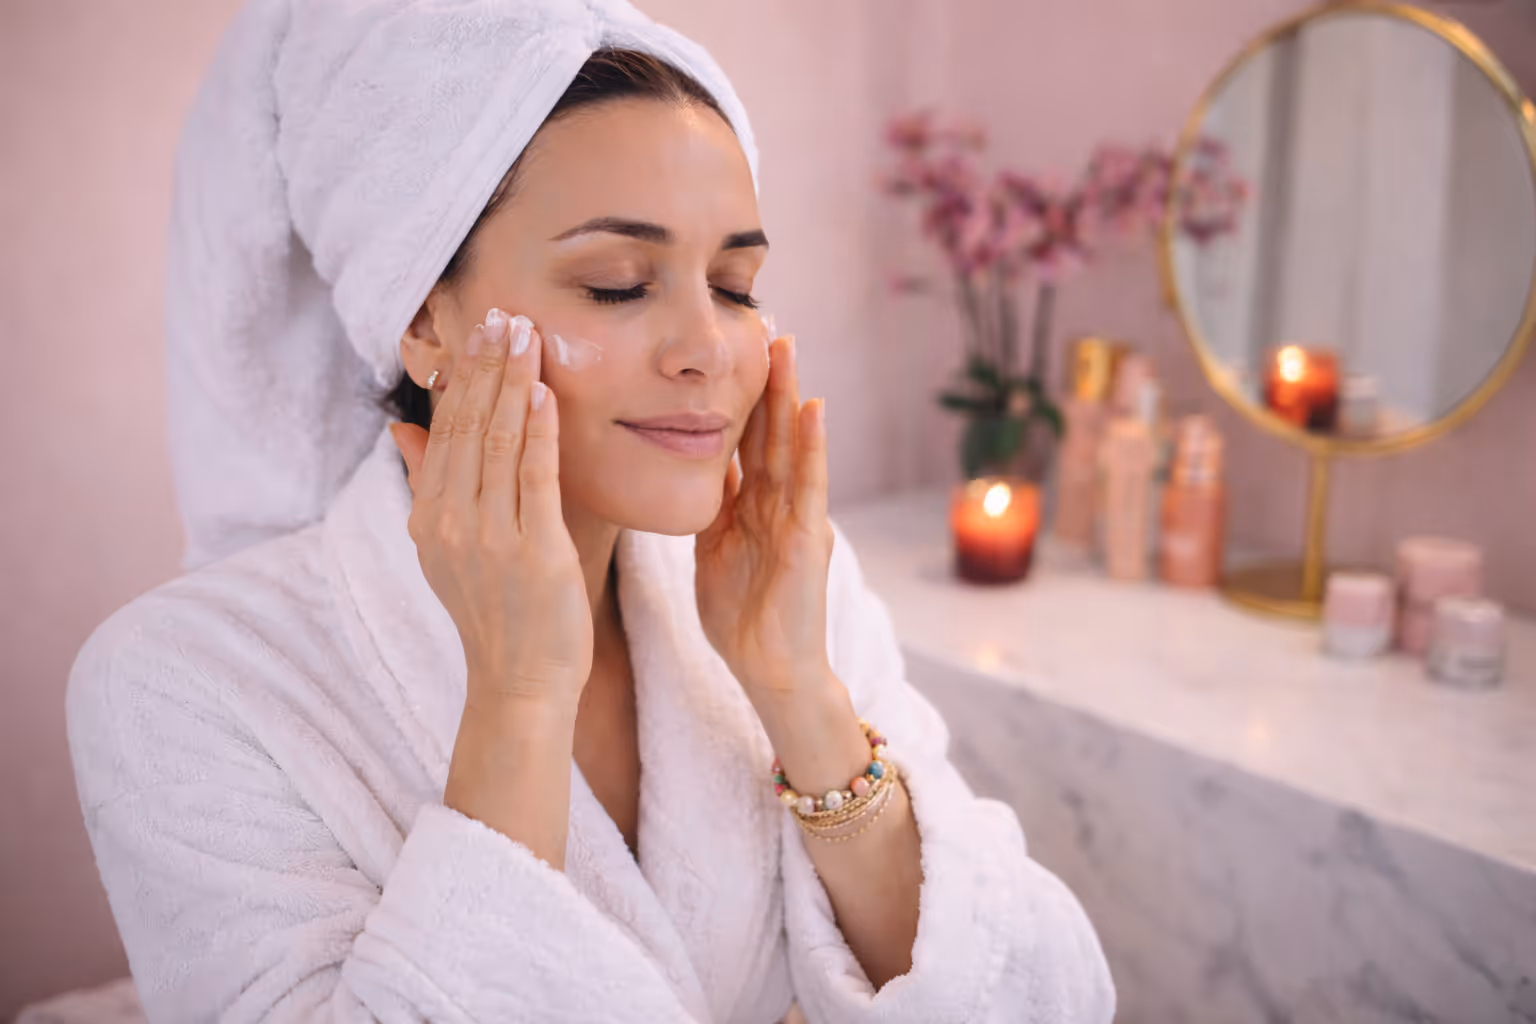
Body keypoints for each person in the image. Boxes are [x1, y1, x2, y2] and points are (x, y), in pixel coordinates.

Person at [65, 1, 1116, 1020]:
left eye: (735, 285)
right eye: (616, 283)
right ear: (424, 324)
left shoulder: (787, 585)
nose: (707, 348)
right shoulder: (182, 680)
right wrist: (518, 700)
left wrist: (799, 693)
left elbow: (1042, 1001)